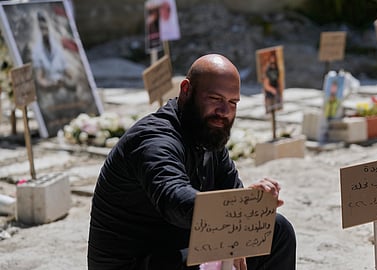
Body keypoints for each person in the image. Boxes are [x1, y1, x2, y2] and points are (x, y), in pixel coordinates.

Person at [87, 54, 297, 270]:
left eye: (232, 102)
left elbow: (231, 193)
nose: (224, 112)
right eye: (215, 99)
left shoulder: (207, 134)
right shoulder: (154, 140)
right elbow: (175, 200)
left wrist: (249, 205)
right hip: (137, 261)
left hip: (176, 250)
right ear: (186, 90)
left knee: (276, 231)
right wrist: (234, 212)